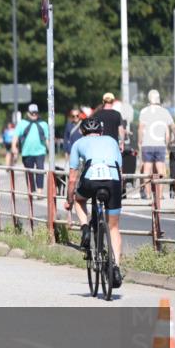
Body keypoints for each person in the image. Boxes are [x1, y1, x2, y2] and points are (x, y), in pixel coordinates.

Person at [65, 118, 124, 289]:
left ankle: (85, 229)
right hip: (112, 180)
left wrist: (70, 199)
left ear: (83, 132)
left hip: (91, 180)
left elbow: (72, 178)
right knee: (113, 227)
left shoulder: (78, 143)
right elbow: (121, 171)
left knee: (79, 199)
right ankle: (116, 268)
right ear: (101, 131)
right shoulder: (112, 141)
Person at [138, 89, 175, 200]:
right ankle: (159, 196)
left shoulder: (144, 111)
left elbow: (141, 128)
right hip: (160, 145)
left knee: (147, 169)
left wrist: (140, 142)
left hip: (147, 144)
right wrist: (169, 142)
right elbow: (172, 127)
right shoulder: (165, 111)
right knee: (160, 170)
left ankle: (148, 194)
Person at [12, 104, 50, 191]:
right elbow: (15, 136)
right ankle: (32, 190)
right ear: (28, 113)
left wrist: (50, 151)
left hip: (40, 152)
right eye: (32, 113)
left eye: (35, 113)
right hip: (27, 152)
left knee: (40, 170)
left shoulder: (43, 124)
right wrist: (14, 147)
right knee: (29, 173)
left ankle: (39, 191)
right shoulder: (22, 123)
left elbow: (47, 139)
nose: (34, 115)